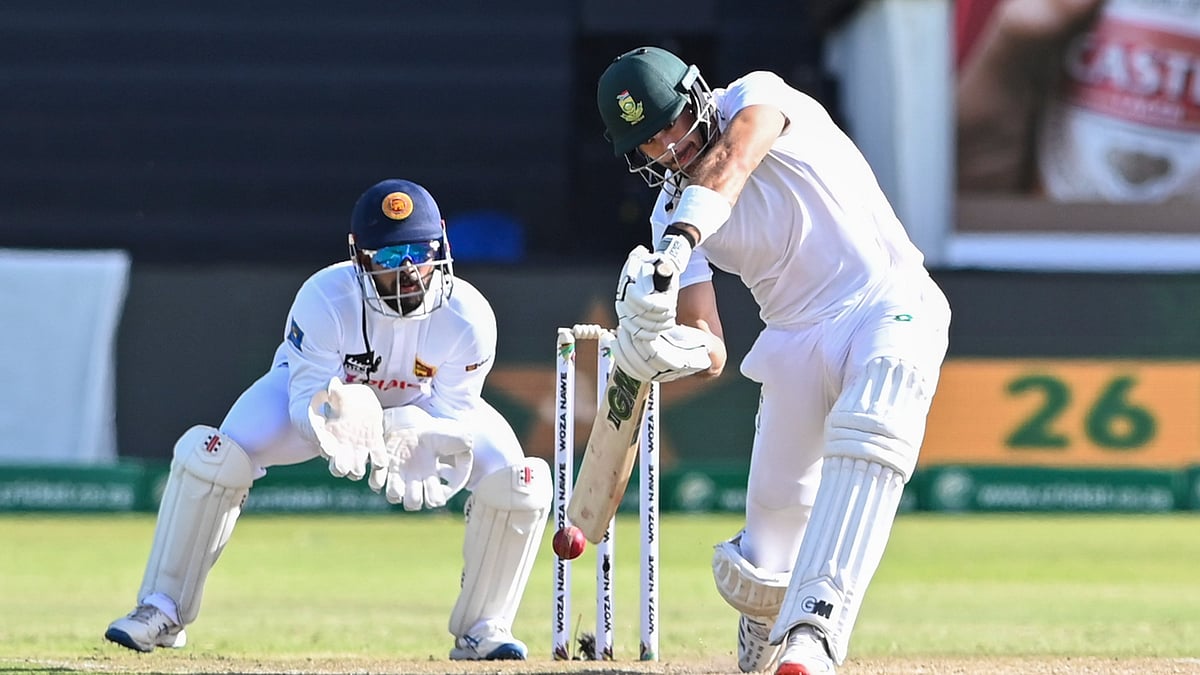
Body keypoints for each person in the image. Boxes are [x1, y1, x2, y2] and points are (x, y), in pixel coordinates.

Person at [594, 47, 952, 675]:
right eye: (649, 141)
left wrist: (677, 246)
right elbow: (710, 346)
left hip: (888, 299)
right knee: (769, 541)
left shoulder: (757, 95)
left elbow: (734, 160)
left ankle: (815, 629)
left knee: (877, 416)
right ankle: (764, 611)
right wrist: (659, 345)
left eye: (673, 123)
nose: (670, 146)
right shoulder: (666, 213)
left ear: (696, 95)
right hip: (793, 338)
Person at [104, 178, 550, 661]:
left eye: (419, 253)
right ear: (359, 257)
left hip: (420, 412)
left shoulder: (470, 317)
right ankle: (161, 608)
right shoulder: (325, 298)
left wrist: (426, 434)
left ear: (441, 245)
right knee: (213, 456)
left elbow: (455, 411)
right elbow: (302, 403)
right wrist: (341, 419)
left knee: (520, 481)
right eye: (389, 257)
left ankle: (484, 627)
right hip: (327, 402)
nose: (408, 272)